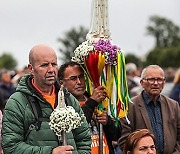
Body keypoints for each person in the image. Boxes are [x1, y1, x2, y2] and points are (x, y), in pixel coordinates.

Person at [2, 44, 91, 154]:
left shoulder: (69, 99)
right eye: (44, 65)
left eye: (54, 64)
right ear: (31, 68)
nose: (51, 70)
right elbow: (11, 147)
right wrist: (50, 152)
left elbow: (84, 141)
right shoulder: (17, 102)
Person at [58, 61, 121, 154]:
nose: (79, 82)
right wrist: (91, 103)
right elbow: (74, 131)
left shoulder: (99, 100)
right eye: (73, 78)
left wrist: (107, 122)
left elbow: (117, 135)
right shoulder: (61, 106)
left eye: (81, 76)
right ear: (62, 83)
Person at [118, 65, 180, 154]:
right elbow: (124, 139)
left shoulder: (173, 105)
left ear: (164, 82)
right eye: (151, 79)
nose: (155, 83)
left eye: (159, 79)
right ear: (142, 82)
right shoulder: (129, 106)